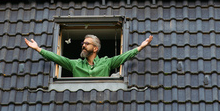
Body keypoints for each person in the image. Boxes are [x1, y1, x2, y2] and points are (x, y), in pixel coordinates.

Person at [25, 34, 153, 77]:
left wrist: (140, 47)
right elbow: (57, 58)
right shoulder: (75, 64)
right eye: (83, 43)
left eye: (87, 43)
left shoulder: (106, 62)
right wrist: (38, 49)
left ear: (95, 48)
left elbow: (123, 57)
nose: (83, 45)